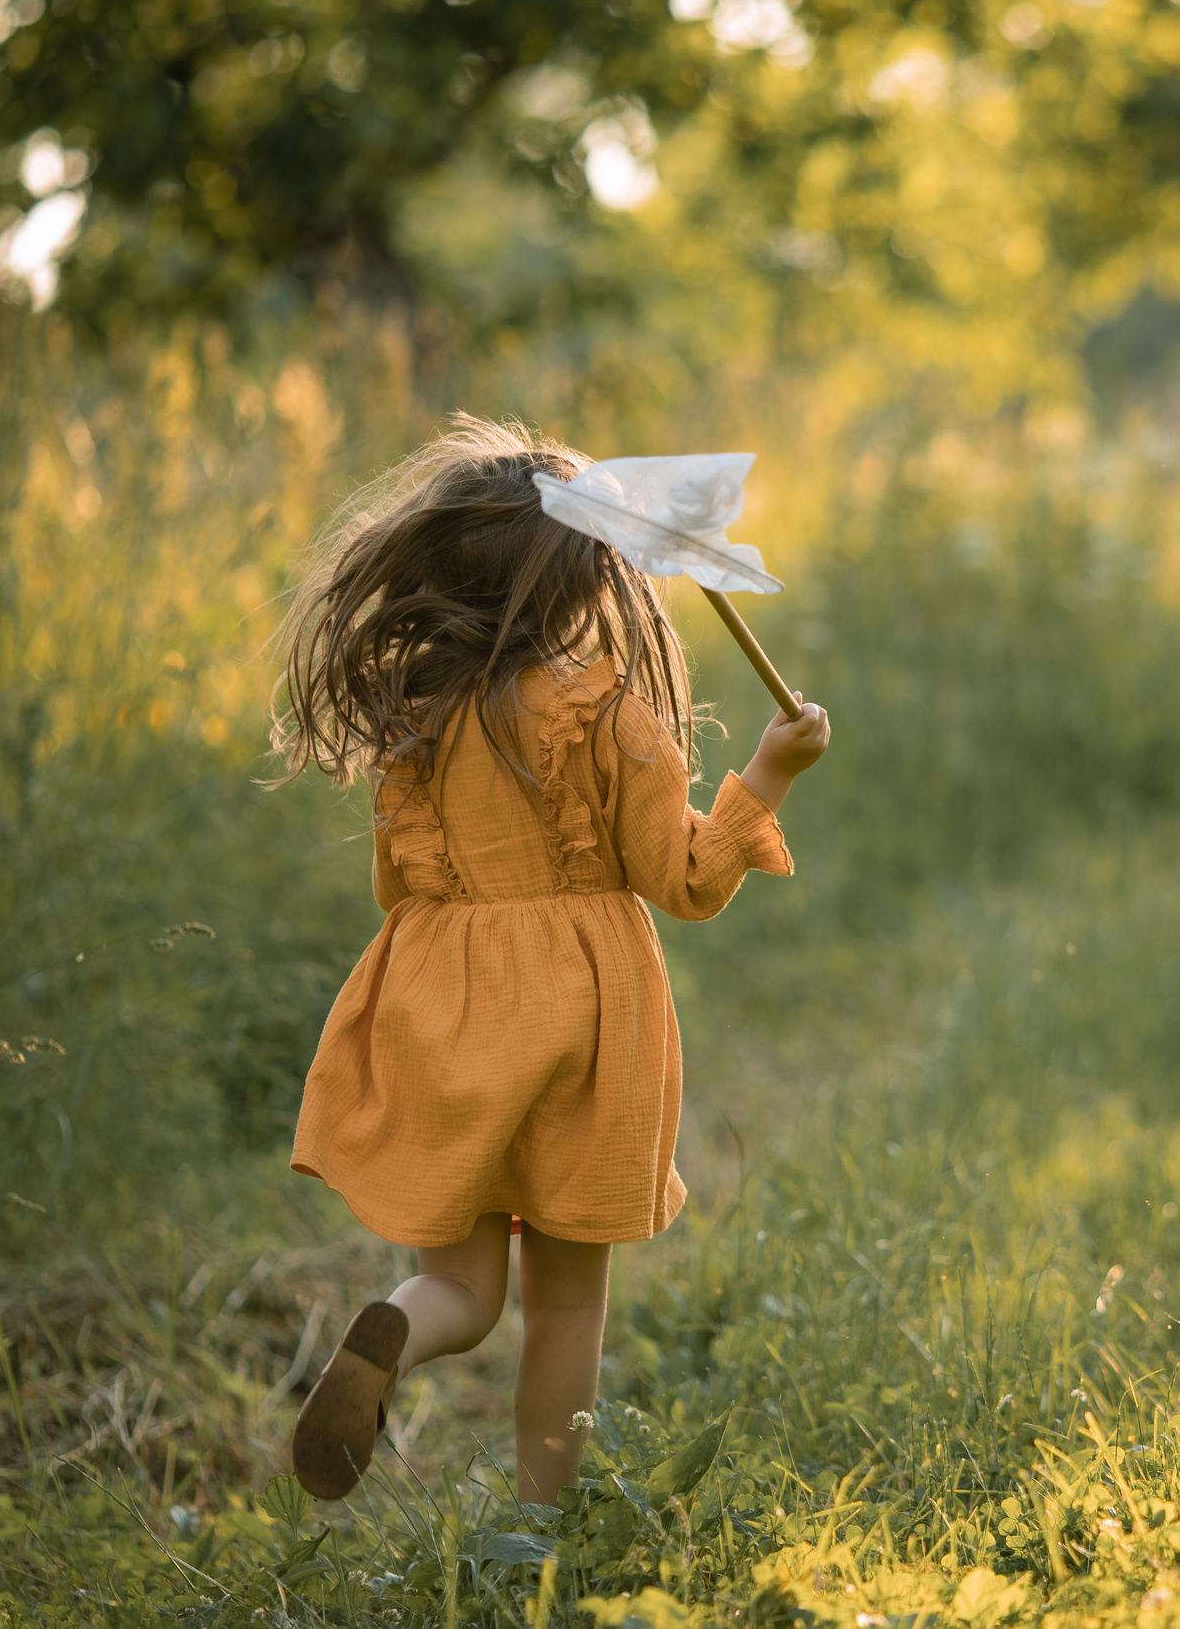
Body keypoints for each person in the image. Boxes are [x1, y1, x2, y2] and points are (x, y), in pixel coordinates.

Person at [269, 417, 830, 1504]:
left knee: (463, 1290)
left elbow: (403, 882)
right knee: (565, 1303)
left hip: (441, 1006)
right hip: (581, 1023)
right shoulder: (610, 718)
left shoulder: (418, 716)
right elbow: (688, 881)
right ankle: (541, 1521)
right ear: (582, 578)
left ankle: (401, 1324)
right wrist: (770, 772)